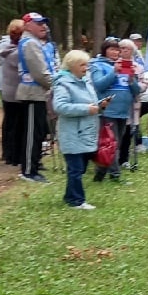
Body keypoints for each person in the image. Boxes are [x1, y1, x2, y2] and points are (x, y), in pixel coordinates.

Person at [52, 49, 107, 210]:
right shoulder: (63, 83)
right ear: (72, 66)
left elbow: (91, 103)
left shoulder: (86, 81)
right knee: (75, 169)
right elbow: (60, 107)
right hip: (72, 132)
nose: (86, 68)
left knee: (79, 168)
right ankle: (77, 201)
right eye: (82, 65)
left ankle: (70, 197)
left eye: (87, 64)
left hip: (87, 131)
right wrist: (86, 109)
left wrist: (100, 106)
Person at [15, 13, 57, 182]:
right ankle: (28, 171)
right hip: (32, 93)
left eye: (44, 23)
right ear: (27, 25)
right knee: (32, 133)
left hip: (38, 93)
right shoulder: (30, 43)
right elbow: (40, 73)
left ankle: (33, 167)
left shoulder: (36, 43)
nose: (43, 26)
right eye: (38, 23)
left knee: (38, 132)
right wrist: (56, 85)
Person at [90, 38, 140, 182]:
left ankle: (100, 174)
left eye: (117, 49)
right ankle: (115, 175)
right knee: (110, 143)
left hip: (123, 111)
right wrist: (113, 72)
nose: (115, 52)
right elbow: (99, 85)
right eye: (112, 49)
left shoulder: (125, 65)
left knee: (114, 144)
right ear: (105, 50)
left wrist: (131, 79)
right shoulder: (97, 65)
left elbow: (136, 90)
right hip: (108, 110)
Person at [0, 19, 25, 165]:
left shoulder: (8, 48)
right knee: (14, 123)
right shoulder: (14, 52)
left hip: (9, 89)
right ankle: (12, 155)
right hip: (14, 91)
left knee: (10, 122)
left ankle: (9, 153)